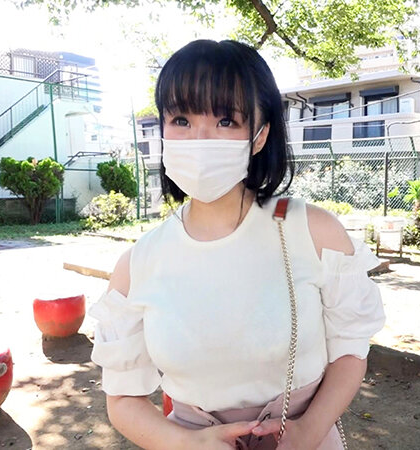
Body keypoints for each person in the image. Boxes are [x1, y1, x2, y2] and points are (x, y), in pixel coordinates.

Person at [89, 39, 386, 450]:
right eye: (181, 119)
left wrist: (308, 431)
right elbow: (123, 400)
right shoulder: (137, 264)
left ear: (261, 135)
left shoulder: (315, 233)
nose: (199, 139)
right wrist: (188, 444)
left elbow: (350, 350)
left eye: (226, 121)